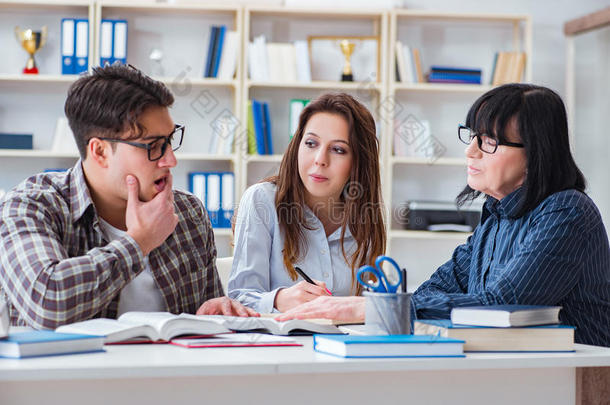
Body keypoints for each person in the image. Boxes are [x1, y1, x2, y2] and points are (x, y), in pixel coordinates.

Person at [275, 84, 610, 347]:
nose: (471, 151)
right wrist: (379, 308)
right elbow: (439, 286)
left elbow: (505, 302)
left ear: (536, 152)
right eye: (473, 137)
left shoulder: (567, 212)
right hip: (513, 371)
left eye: (489, 142)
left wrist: (367, 308)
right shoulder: (496, 216)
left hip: (575, 379)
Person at [0, 64, 257, 329]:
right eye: (153, 146)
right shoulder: (30, 205)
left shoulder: (188, 211)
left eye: (170, 141)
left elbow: (207, 313)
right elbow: (48, 304)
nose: (171, 160)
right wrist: (139, 242)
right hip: (67, 371)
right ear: (100, 152)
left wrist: (215, 313)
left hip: (170, 370)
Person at [227, 92, 386, 313]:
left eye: (338, 149)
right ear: (297, 146)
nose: (320, 159)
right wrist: (279, 299)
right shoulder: (261, 201)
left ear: (358, 162)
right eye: (311, 143)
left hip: (343, 345)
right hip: (279, 344)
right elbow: (238, 299)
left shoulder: (363, 217)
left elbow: (372, 308)